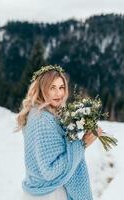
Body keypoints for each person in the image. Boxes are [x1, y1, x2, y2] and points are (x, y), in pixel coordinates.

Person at [16, 65, 102, 200]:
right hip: (50, 194)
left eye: (61, 87)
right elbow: (51, 170)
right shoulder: (42, 119)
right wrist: (83, 143)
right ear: (42, 89)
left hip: (43, 191)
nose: (58, 93)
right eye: (52, 88)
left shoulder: (43, 113)